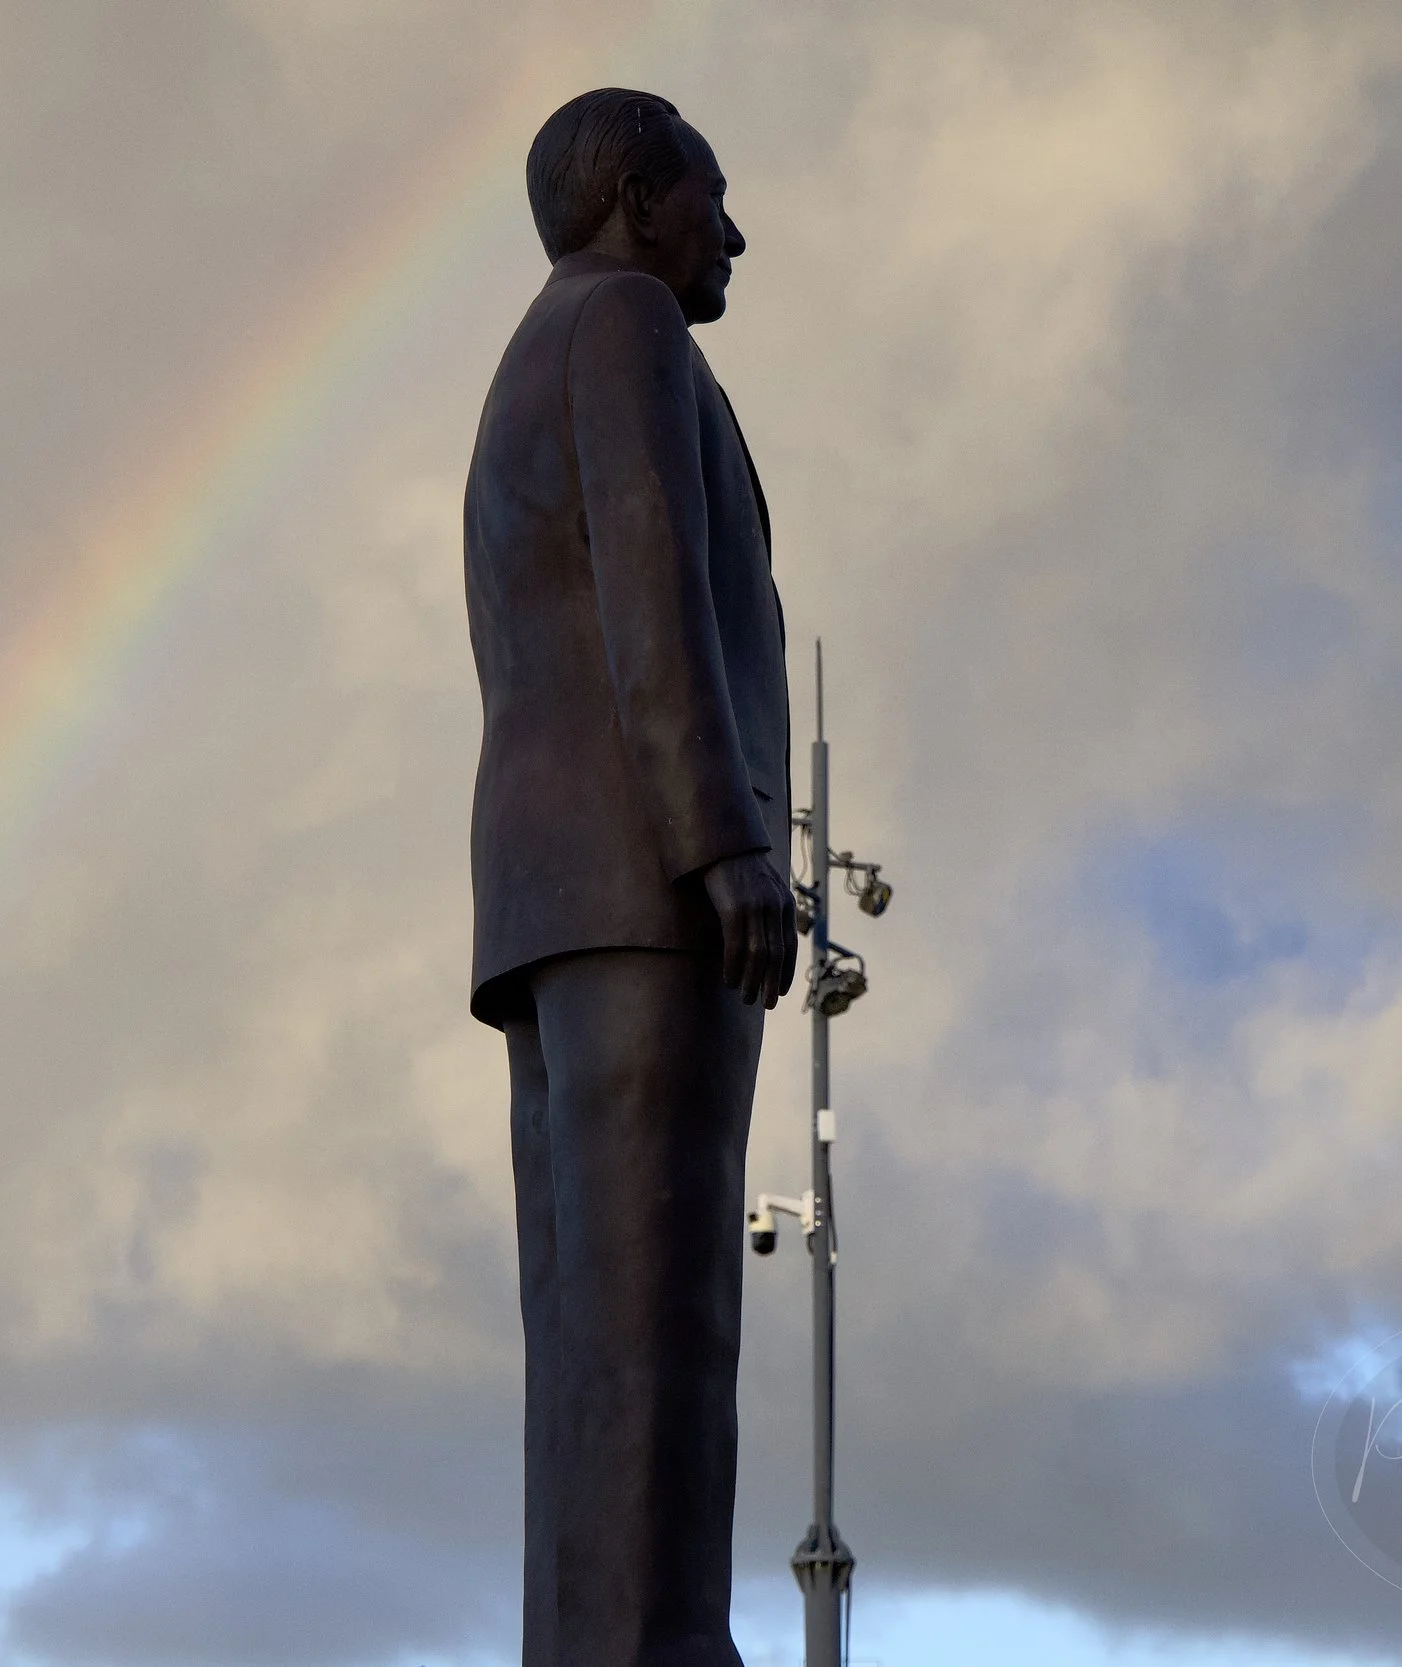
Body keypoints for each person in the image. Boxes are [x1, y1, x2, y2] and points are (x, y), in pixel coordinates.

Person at [462, 86, 796, 1667]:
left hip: (547, 901)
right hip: (644, 885)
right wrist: (721, 836)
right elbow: (651, 583)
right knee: (660, 1326)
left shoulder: (534, 354)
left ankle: (600, 1636)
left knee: (589, 1331)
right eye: (713, 197)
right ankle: (658, 1642)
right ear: (639, 195)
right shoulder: (626, 335)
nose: (733, 231)